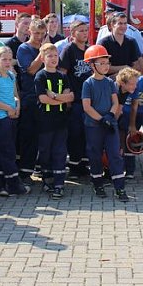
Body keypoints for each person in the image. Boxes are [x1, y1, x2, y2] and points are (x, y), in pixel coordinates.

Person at [81, 45, 128, 202]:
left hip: (110, 125)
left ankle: (119, 187)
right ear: (92, 65)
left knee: (115, 154)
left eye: (107, 62)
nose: (106, 66)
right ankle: (98, 184)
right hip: (94, 126)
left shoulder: (110, 82)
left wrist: (109, 116)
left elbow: (115, 102)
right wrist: (101, 119)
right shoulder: (88, 84)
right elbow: (87, 107)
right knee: (95, 155)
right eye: (102, 63)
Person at [0, 46, 27, 197]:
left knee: (7, 150)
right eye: (4, 59)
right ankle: (14, 184)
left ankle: (1, 184)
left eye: (10, 59)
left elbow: (15, 94)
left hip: (11, 116)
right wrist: (7, 108)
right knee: (7, 151)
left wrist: (17, 107)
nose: (8, 62)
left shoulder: (11, 75)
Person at [34, 43, 72, 198]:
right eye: (49, 56)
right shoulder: (40, 76)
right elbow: (43, 99)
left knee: (60, 151)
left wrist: (55, 96)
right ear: (42, 58)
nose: (53, 59)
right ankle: (47, 179)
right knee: (45, 151)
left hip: (61, 121)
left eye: (56, 55)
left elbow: (70, 97)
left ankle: (59, 183)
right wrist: (57, 99)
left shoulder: (63, 76)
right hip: (45, 122)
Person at [59, 20, 92, 178]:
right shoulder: (68, 50)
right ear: (72, 34)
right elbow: (63, 74)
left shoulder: (89, 50)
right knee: (75, 133)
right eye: (80, 31)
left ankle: (84, 165)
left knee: (87, 133)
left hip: (88, 100)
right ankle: (73, 166)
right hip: (75, 99)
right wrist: (66, 98)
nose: (84, 33)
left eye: (86, 30)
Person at [17, 19, 47, 183]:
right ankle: (25, 172)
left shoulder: (43, 47)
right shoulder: (24, 48)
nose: (39, 37)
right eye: (36, 33)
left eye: (42, 34)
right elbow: (31, 70)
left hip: (46, 97)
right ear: (29, 31)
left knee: (44, 136)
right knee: (28, 137)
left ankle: (41, 168)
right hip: (29, 97)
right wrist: (43, 53)